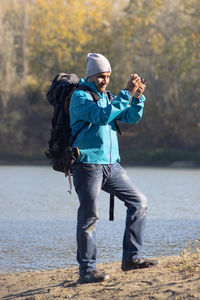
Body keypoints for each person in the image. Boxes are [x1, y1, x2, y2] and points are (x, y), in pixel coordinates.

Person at [69, 53, 158, 284]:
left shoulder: (109, 96)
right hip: (87, 165)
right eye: (101, 76)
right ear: (91, 75)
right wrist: (126, 93)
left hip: (112, 165)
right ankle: (87, 271)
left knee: (139, 202)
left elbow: (129, 117)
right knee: (89, 216)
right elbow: (102, 116)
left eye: (108, 76)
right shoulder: (80, 97)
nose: (105, 80)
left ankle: (131, 259)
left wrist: (137, 98)